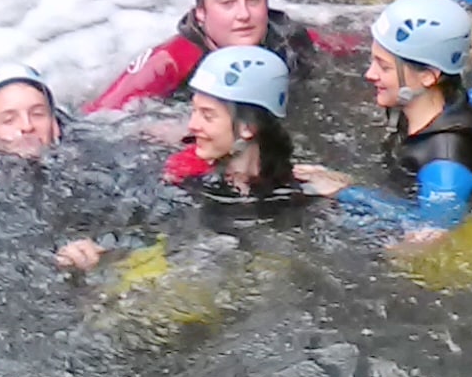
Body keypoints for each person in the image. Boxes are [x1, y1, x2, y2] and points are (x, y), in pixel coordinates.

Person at [296, 0, 472, 241]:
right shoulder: (462, 101)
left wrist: (346, 192)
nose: (370, 74)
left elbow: (432, 230)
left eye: (384, 66)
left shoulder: (445, 166)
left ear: (428, 76)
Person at [58, 46, 298, 271]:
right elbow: (142, 220)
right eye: (194, 111)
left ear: (247, 128)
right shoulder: (185, 175)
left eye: (208, 115)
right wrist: (100, 246)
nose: (192, 125)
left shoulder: (296, 185)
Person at [85, 0, 350, 117]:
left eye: (254, 0)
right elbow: (98, 119)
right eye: (227, 2)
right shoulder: (171, 61)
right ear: (201, 11)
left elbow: (356, 47)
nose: (244, 14)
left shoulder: (287, 38)